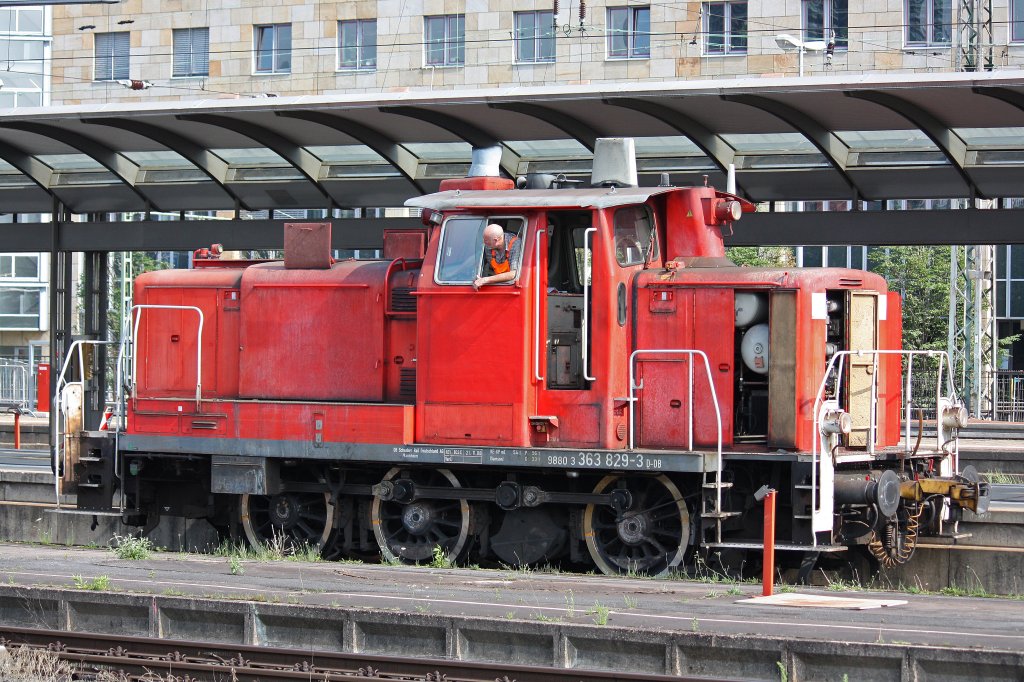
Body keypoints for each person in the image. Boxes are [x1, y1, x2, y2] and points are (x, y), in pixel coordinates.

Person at [473, 223, 521, 290]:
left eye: (486, 241)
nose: (484, 243)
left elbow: (513, 274)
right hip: (496, 286)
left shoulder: (515, 244)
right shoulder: (488, 246)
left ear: (495, 240)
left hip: (511, 288)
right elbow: (475, 258)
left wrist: (485, 280)